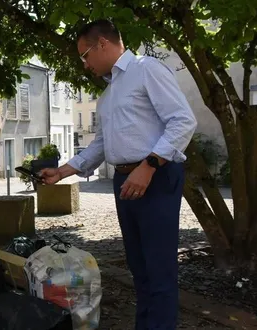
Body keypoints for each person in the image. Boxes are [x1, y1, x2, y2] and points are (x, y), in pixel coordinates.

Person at [39, 20, 197, 329]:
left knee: (159, 270)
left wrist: (149, 165)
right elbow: (100, 144)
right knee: (139, 270)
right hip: (125, 181)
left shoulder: (146, 69)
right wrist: (63, 171)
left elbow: (183, 121)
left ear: (102, 44)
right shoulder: (110, 94)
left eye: (85, 55)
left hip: (155, 178)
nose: (85, 64)